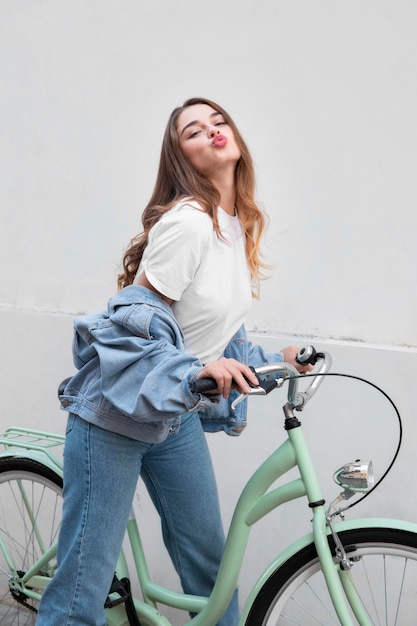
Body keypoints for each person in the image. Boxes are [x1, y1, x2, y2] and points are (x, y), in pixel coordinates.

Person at [36, 97, 310, 626]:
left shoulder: (236, 225)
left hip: (171, 416)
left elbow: (208, 337)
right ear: (180, 156)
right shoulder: (188, 222)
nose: (212, 132)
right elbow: (134, 322)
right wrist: (190, 373)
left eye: (219, 121)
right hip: (113, 418)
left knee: (212, 568)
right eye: (193, 131)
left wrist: (277, 359)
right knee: (80, 595)